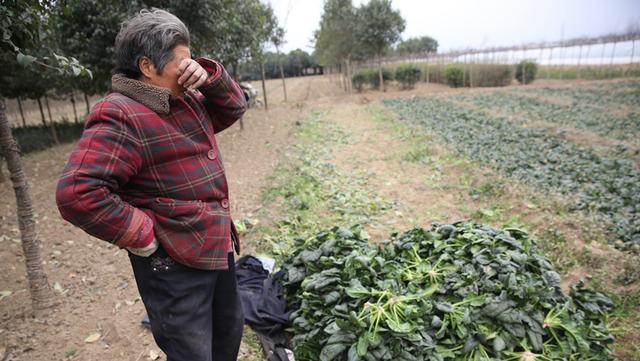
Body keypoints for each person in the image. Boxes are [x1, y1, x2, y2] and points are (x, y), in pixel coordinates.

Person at [55, 9, 247, 361]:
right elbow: (77, 192)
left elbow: (234, 107)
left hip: (214, 246)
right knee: (193, 353)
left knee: (227, 336)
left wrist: (208, 77)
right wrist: (143, 234)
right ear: (147, 66)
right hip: (175, 262)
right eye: (182, 62)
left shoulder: (185, 99)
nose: (188, 70)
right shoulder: (121, 112)